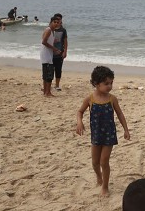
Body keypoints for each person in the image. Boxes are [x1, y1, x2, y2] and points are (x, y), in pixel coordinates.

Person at [76, 66, 131, 197]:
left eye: (111, 83)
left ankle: (105, 187)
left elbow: (120, 114)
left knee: (104, 162)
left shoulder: (112, 99)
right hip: (96, 134)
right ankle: (99, 177)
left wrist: (126, 130)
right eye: (106, 83)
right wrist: (79, 121)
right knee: (95, 163)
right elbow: (80, 112)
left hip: (109, 135)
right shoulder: (90, 99)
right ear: (96, 83)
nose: (110, 86)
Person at [39, 16, 64, 97]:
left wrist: (53, 41)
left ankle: (46, 92)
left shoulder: (52, 31)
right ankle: (48, 92)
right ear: (51, 22)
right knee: (49, 75)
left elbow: (46, 40)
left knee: (46, 74)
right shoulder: (49, 30)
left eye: (58, 22)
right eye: (55, 22)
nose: (56, 24)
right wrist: (54, 49)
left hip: (47, 55)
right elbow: (44, 42)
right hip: (46, 55)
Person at [50, 12, 68, 91]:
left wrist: (65, 51)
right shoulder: (50, 29)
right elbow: (45, 40)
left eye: (59, 20)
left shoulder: (63, 30)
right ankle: (48, 85)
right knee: (50, 70)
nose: (58, 21)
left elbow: (65, 41)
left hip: (59, 53)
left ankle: (57, 85)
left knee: (58, 69)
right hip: (50, 53)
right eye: (56, 20)